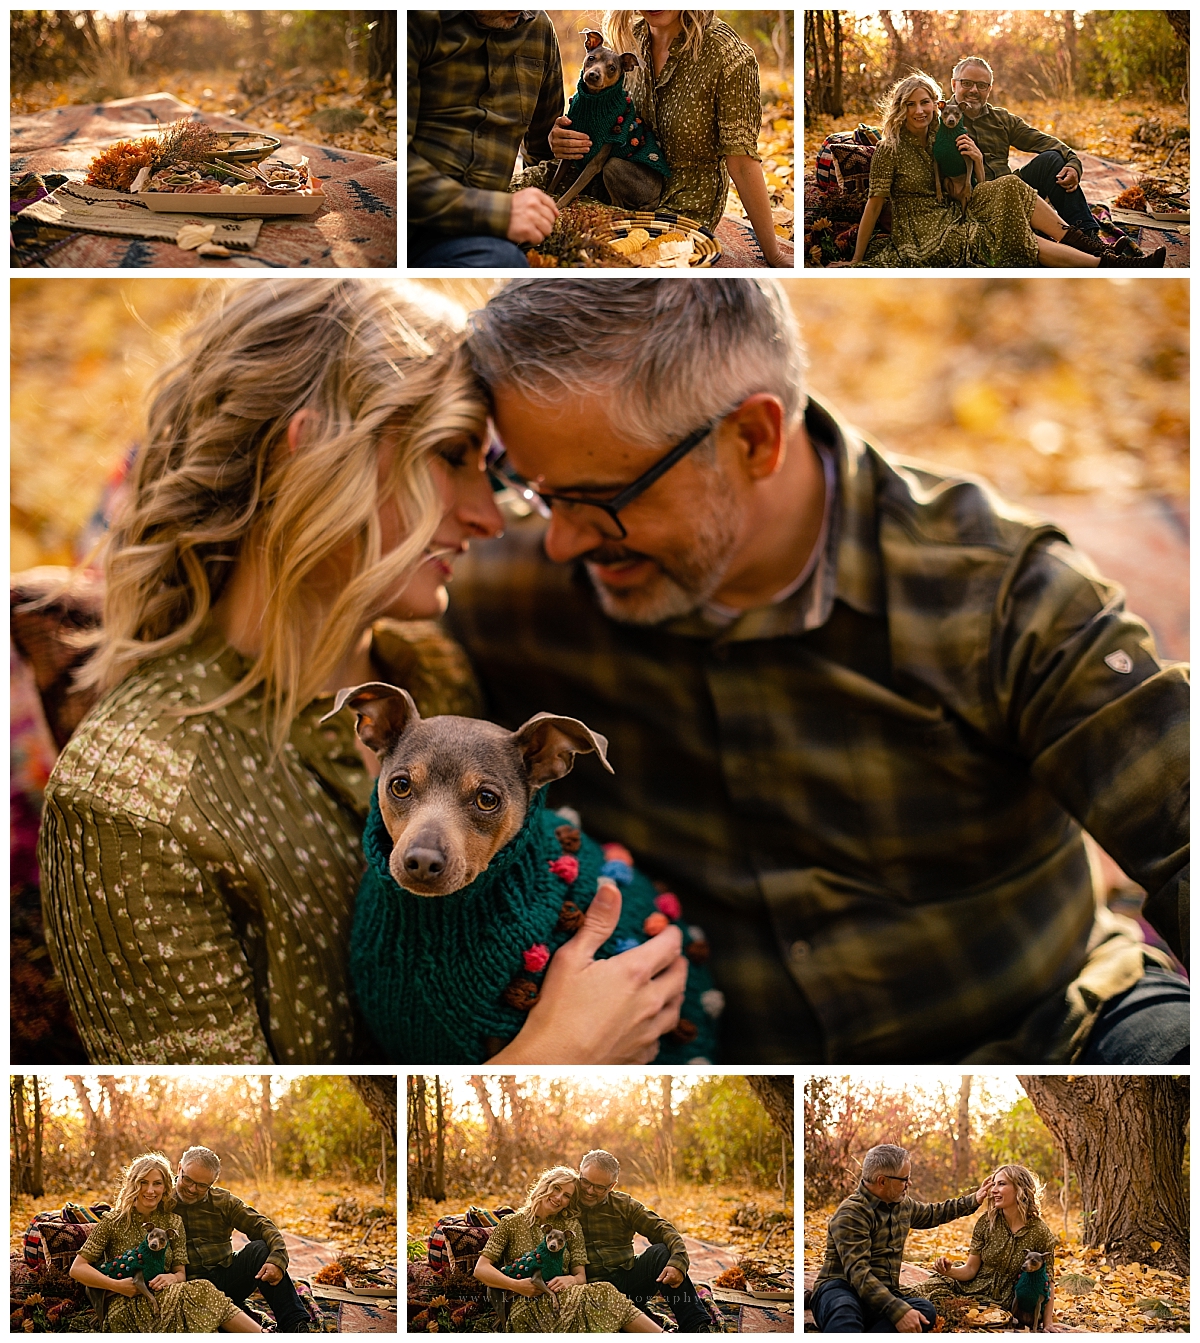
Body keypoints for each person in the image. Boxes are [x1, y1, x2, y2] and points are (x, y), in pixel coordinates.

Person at [448, 276, 1190, 1065]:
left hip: (1055, 1024)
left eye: (600, 498)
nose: (562, 541)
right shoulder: (511, 586)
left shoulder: (1002, 592)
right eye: (535, 489)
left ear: (755, 439)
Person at [37, 279, 686, 1067]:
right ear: (310, 450)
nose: (488, 515)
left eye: (488, 470)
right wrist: (556, 1056)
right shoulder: (132, 801)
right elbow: (217, 1131)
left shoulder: (429, 669)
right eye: (452, 457)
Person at [835, 73, 1164, 268]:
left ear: (936, 105)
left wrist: (977, 161)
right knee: (1013, 234)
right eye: (910, 104)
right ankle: (1110, 264)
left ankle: (1098, 248)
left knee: (1009, 184)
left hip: (957, 207)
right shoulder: (890, 148)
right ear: (900, 108)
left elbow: (968, 188)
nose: (919, 111)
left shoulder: (943, 135)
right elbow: (874, 205)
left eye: (924, 103)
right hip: (925, 230)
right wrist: (856, 261)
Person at [547, 10, 788, 266]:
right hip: (606, 182)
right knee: (523, 208)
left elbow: (741, 162)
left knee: (576, 249)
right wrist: (560, 138)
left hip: (681, 206)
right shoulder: (627, 37)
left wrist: (773, 254)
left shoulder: (728, 56)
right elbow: (604, 117)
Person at [408, 11, 563, 267]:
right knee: (504, 260)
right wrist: (498, 212)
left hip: (479, 238)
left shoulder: (539, 29)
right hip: (414, 222)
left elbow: (544, 150)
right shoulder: (419, 19)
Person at [947, 56, 1121, 259]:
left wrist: (1074, 165)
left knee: (1052, 159)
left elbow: (1047, 142)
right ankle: (1086, 251)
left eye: (982, 85)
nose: (974, 90)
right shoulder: (938, 119)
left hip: (1014, 190)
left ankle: (1089, 238)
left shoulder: (1001, 119)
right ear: (954, 84)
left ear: (989, 89)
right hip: (973, 200)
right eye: (967, 83)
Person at [69, 1151, 261, 1332]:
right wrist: (116, 1285)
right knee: (203, 1295)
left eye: (157, 1183)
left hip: (164, 1294)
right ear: (133, 1184)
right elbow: (77, 1269)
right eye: (143, 1182)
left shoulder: (173, 1222)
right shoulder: (114, 1221)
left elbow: (180, 1273)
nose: (150, 1190)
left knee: (201, 1291)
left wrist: (172, 1278)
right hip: (124, 1302)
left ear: (166, 1186)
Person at [810, 1145, 994, 1333]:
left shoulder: (902, 1205)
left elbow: (934, 1213)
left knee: (924, 1311)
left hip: (882, 1295)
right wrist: (897, 1311)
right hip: (842, 1288)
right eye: (904, 1179)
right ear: (882, 1181)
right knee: (844, 1310)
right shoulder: (851, 1213)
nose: (910, 1183)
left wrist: (974, 1199)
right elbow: (859, 1274)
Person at [473, 1166, 663, 1332]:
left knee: (604, 1293)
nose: (558, 1198)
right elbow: (481, 1270)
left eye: (566, 1196)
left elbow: (581, 1277)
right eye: (556, 1189)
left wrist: (571, 1279)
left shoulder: (570, 1226)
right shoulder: (511, 1223)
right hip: (524, 1304)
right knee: (605, 1295)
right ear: (544, 1184)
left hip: (564, 1298)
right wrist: (516, 1285)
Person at [173, 1147, 311, 1333]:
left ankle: (295, 1326)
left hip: (224, 1279)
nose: (191, 1189)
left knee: (260, 1249)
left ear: (211, 1183)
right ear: (179, 1168)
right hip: (184, 1287)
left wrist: (278, 1260)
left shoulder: (223, 1202)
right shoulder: (161, 1198)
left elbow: (264, 1227)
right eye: (187, 1179)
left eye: (201, 1185)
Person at [574, 1149, 712, 1332]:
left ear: (611, 1186)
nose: (590, 1191)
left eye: (599, 1187)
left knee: (662, 1252)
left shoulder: (624, 1205)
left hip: (627, 1284)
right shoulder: (565, 1202)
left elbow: (663, 1229)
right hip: (586, 1291)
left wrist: (679, 1262)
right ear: (579, 1173)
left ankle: (696, 1328)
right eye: (586, 1182)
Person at [923, 1165, 1058, 1331]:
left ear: (1020, 1189)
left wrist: (1048, 1323)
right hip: (970, 1287)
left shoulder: (1040, 1232)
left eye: (1001, 1184)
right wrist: (948, 1271)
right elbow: (970, 1269)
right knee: (920, 1298)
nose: (994, 1190)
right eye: (993, 1184)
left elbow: (1048, 1280)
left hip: (1003, 1301)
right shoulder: (987, 1221)